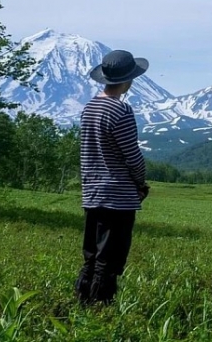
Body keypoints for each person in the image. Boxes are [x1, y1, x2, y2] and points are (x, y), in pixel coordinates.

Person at [74, 49, 151, 305]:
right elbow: (132, 156)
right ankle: (101, 310)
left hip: (92, 193)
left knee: (92, 255)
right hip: (118, 196)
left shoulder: (89, 109)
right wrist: (140, 183)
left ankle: (82, 303)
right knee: (110, 259)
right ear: (129, 80)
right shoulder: (121, 111)